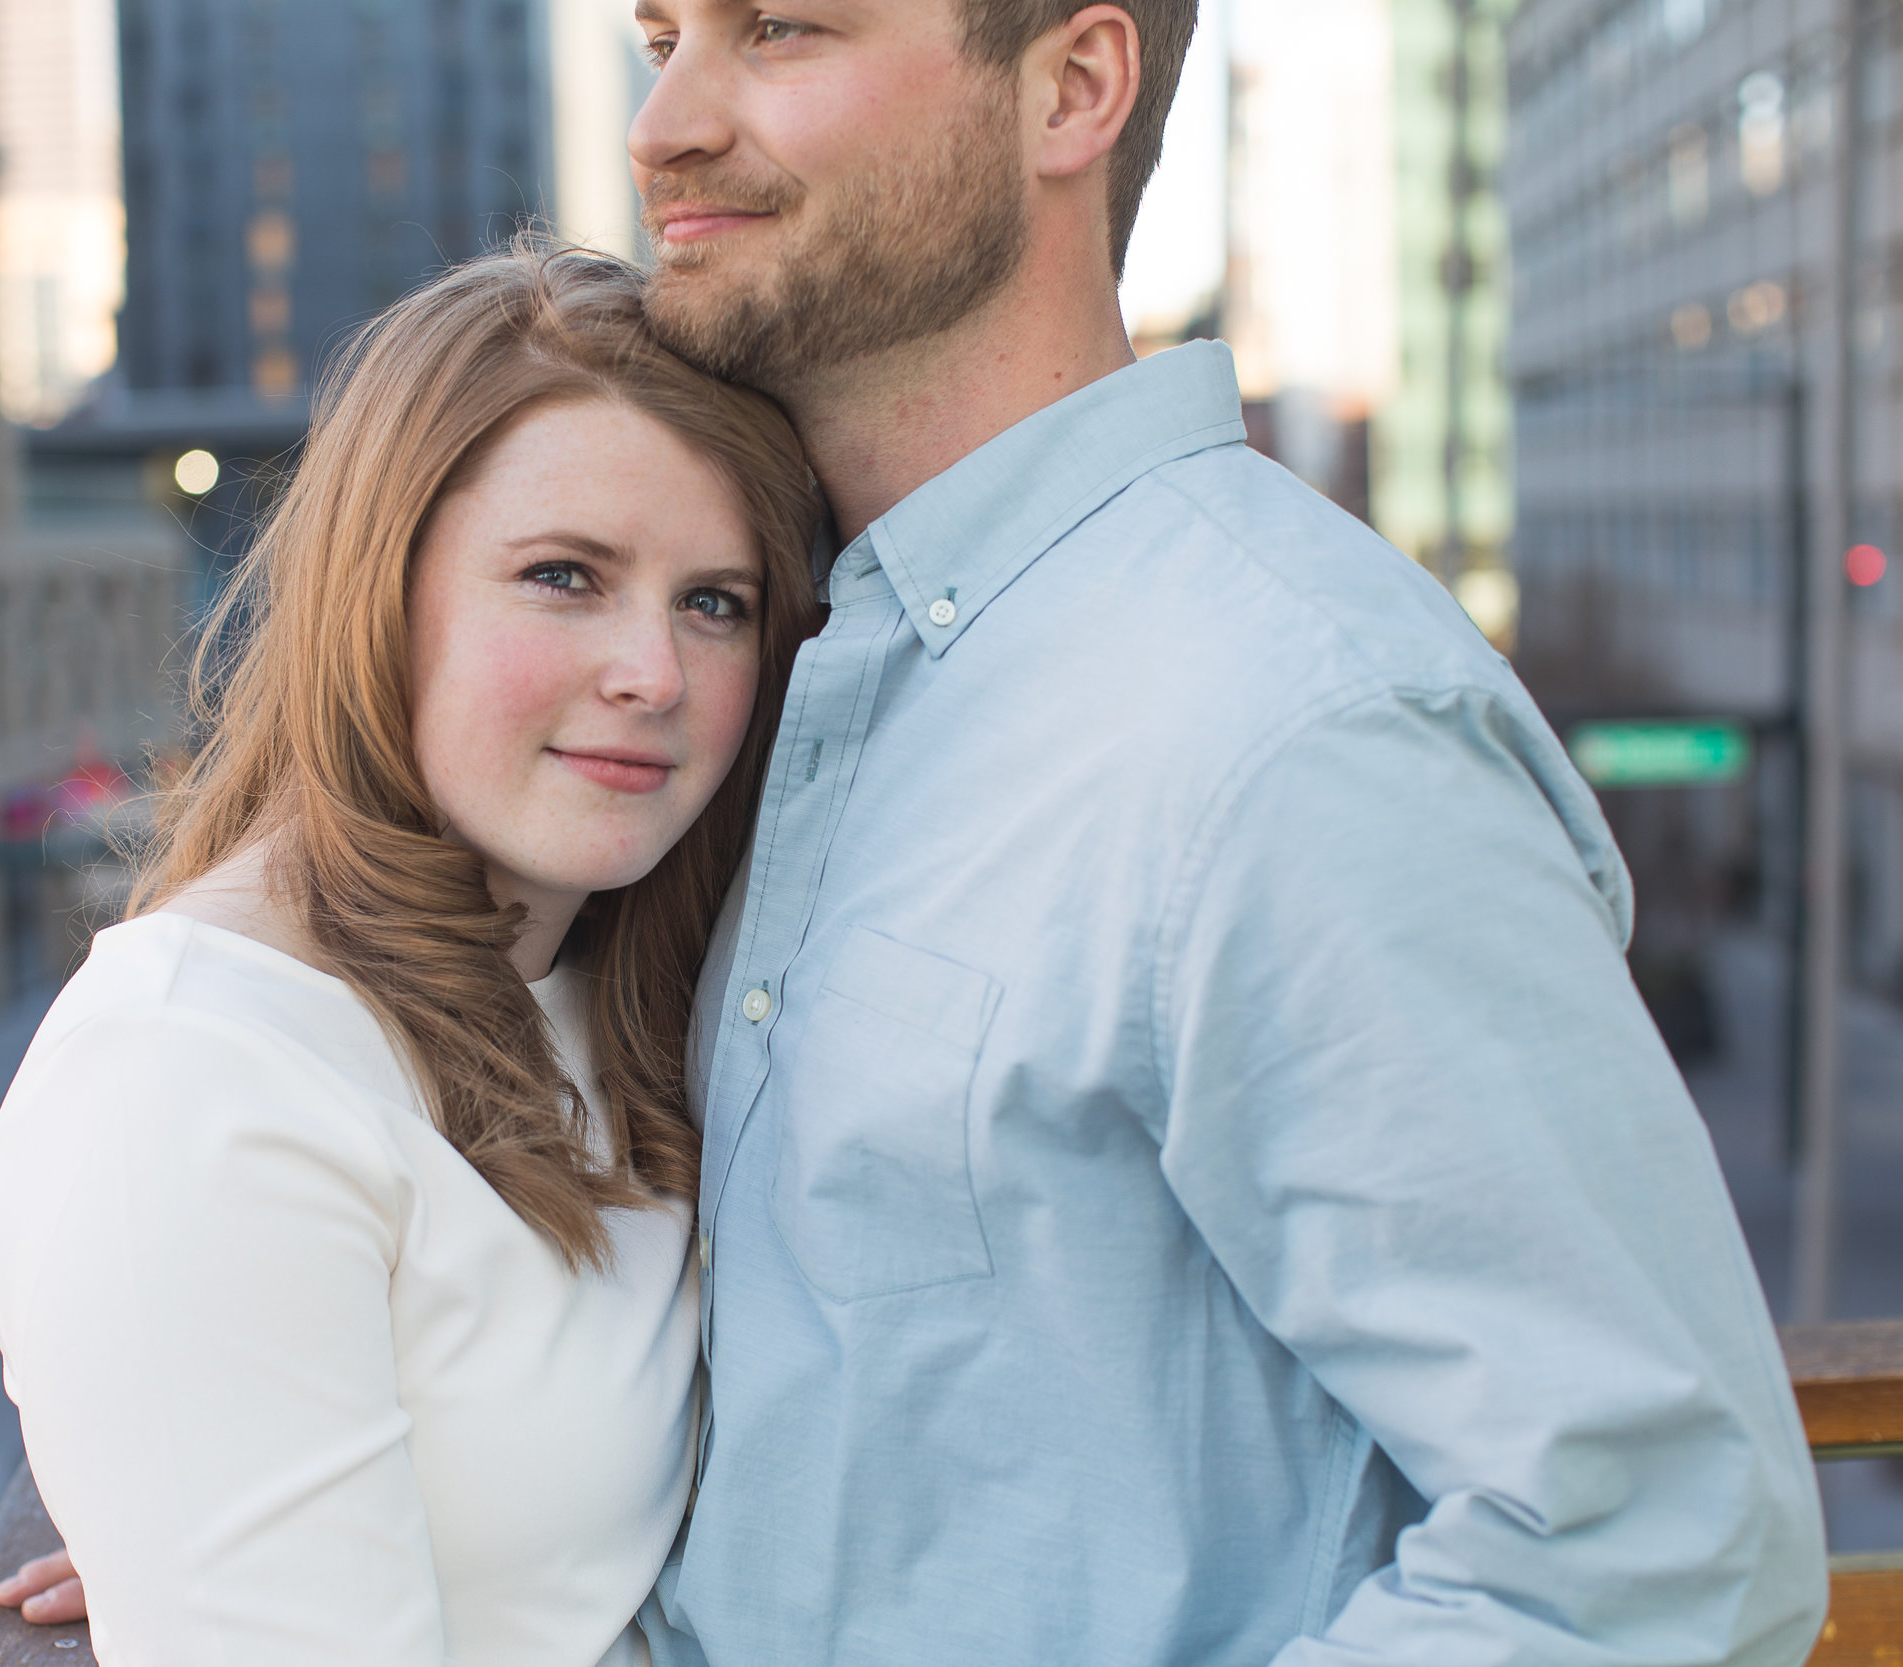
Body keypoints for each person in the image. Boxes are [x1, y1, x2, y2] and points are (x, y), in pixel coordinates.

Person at [617, 2, 1829, 1665]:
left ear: (1073, 87)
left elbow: (1657, 1549)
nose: (662, 124)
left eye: (776, 31)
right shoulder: (777, 671)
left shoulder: (1292, 728)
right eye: (658, 35)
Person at [0, 245, 821, 1666]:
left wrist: (248, 1499)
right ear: (381, 594)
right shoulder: (194, 1084)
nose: (654, 674)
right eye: (563, 576)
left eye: (713, 603)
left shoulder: (604, 967)